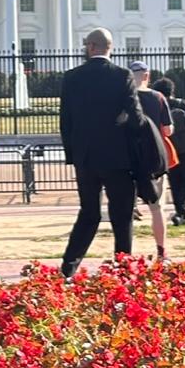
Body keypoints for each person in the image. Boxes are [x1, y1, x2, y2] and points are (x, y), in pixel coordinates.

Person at [59, 28, 147, 277]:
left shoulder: (72, 77)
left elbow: (65, 121)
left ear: (90, 47)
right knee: (122, 216)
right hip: (118, 156)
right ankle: (122, 268)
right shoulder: (122, 75)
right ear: (110, 47)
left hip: (85, 158)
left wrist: (73, 155)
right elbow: (136, 117)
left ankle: (69, 266)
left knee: (89, 213)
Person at [129, 61, 174, 260]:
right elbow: (168, 130)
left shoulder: (124, 98)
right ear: (147, 76)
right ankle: (161, 251)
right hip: (154, 157)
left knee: (124, 209)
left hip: (128, 156)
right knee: (157, 208)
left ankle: (125, 255)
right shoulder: (158, 97)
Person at [152, 77, 185, 225]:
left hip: (168, 151)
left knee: (175, 182)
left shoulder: (157, 106)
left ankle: (181, 213)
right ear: (172, 90)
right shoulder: (184, 105)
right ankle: (181, 213)